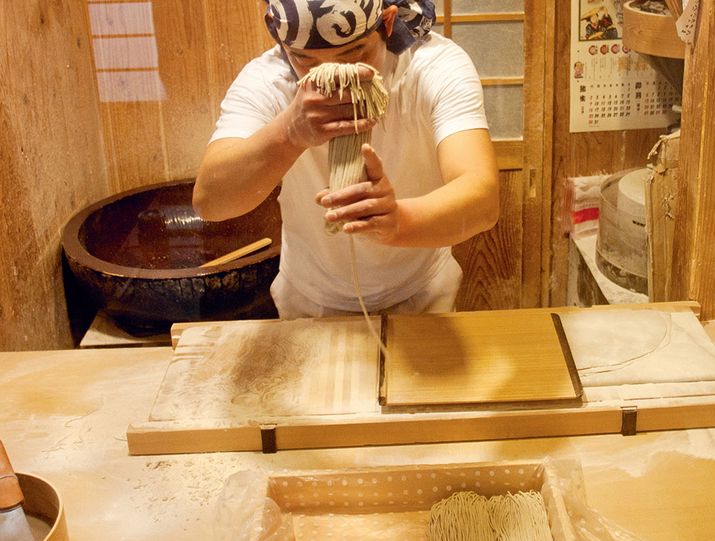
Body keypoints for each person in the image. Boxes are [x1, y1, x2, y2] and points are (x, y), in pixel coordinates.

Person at [192, 0, 499, 320]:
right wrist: (289, 132)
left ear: (388, 22)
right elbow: (211, 202)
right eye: (304, 59)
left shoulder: (432, 67)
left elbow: (482, 196)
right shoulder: (269, 81)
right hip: (311, 298)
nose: (333, 78)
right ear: (275, 31)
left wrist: (398, 221)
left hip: (421, 290)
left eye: (353, 53)